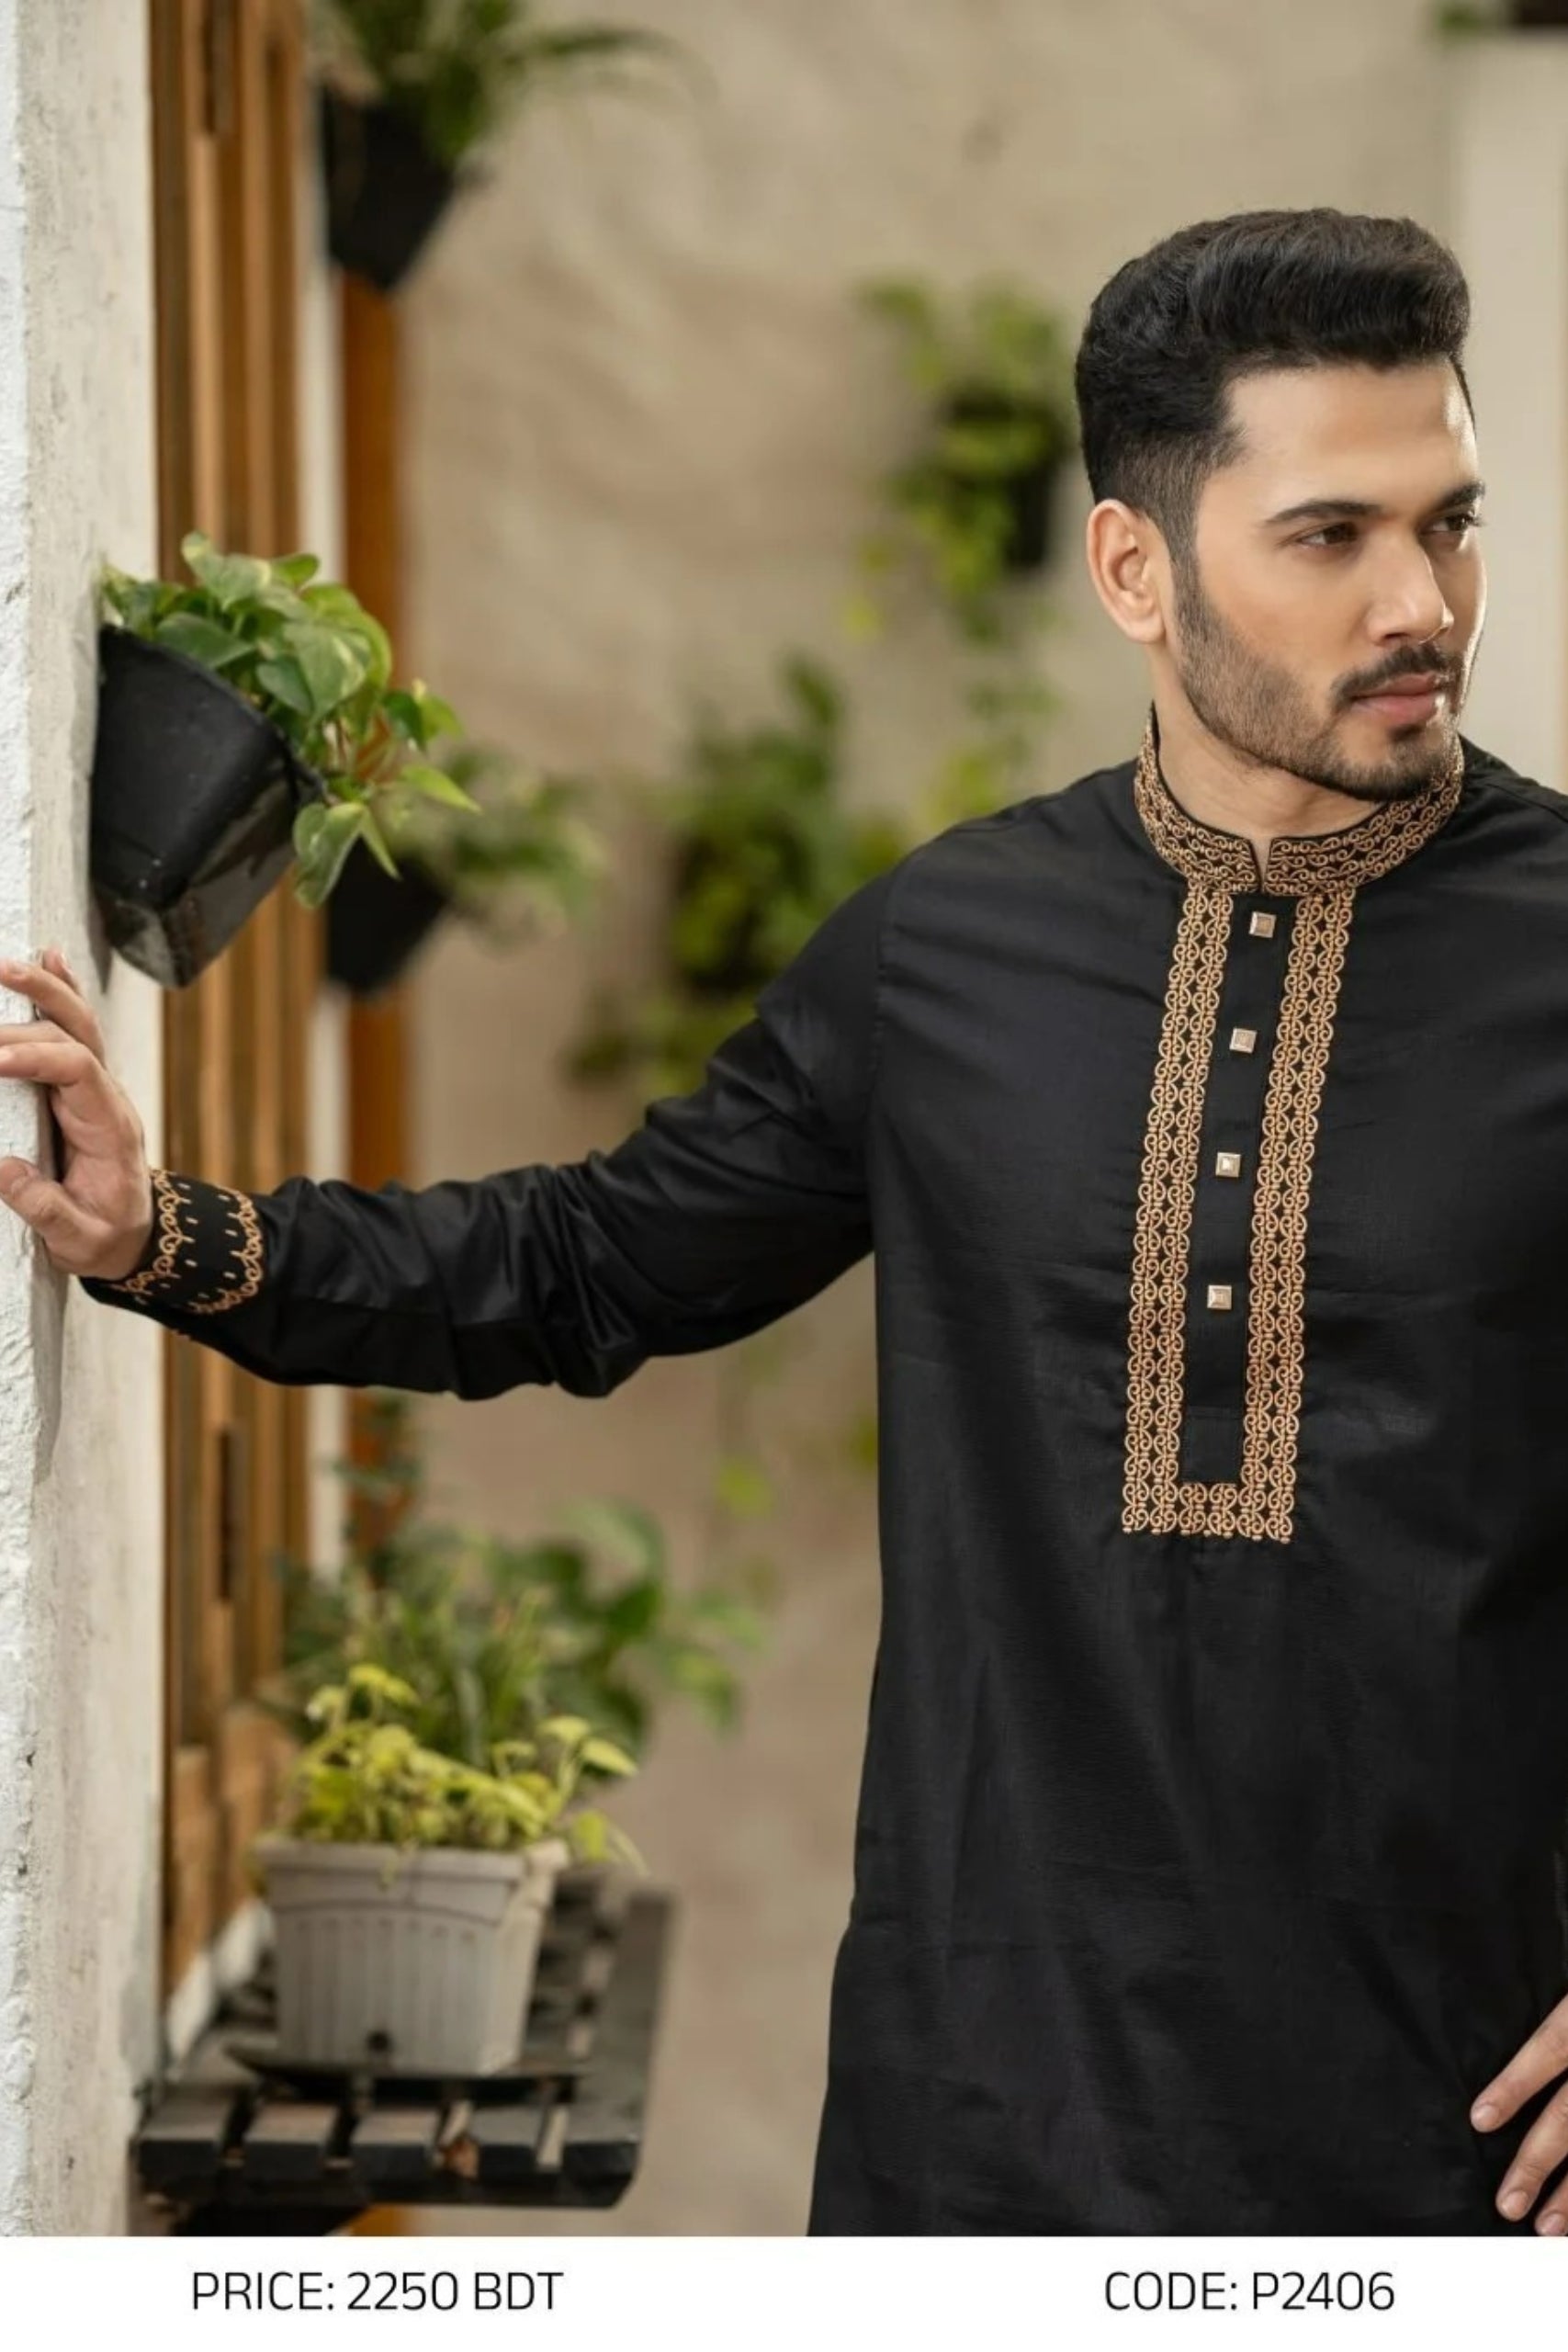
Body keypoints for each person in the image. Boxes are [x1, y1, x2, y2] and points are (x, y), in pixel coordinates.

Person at [3, 206, 1567, 2236]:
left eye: (1446, 521)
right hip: (979, 2128)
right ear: (1130, 564)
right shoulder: (946, 954)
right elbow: (582, 1262)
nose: (1418, 597)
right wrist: (165, 1235)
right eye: (1328, 534)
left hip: (1459, 2162)